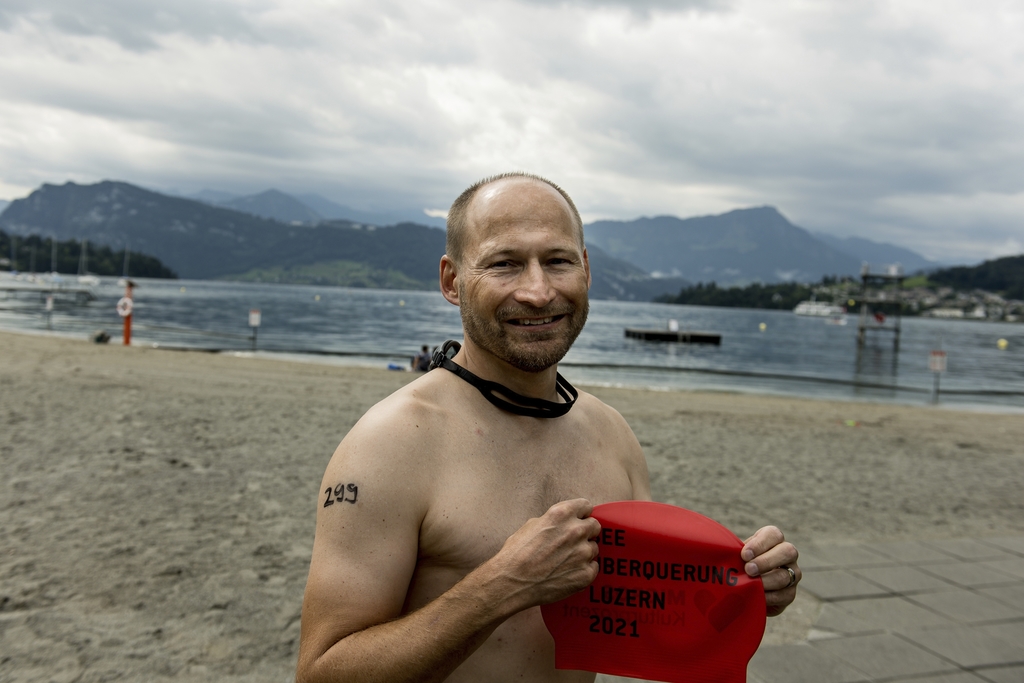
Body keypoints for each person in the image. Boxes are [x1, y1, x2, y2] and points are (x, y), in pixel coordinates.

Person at [295, 173, 801, 683]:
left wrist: (740, 592)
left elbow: (645, 620)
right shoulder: (391, 443)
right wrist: (500, 587)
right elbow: (320, 673)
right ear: (451, 281)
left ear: (585, 269)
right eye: (504, 264)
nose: (538, 292)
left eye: (557, 261)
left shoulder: (611, 435)